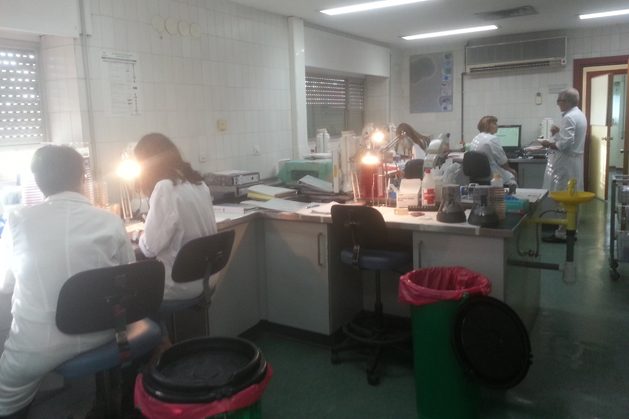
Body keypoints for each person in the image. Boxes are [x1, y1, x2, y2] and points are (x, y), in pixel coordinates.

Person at [0, 145, 135, 418]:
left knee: (5, 400)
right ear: (82, 178)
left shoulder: (18, 220)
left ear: (37, 181)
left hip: (40, 345)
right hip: (102, 331)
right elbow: (130, 277)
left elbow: (6, 285)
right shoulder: (110, 221)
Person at [134, 133, 217, 301]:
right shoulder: (199, 184)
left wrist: (140, 236)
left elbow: (150, 249)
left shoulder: (165, 188)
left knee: (130, 293)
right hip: (208, 277)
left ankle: (157, 321)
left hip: (178, 285)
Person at [540, 87, 587, 242]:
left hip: (566, 163)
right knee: (571, 197)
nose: (558, 103)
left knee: (563, 197)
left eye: (559, 100)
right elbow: (570, 138)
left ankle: (562, 233)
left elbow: (565, 145)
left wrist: (548, 143)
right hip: (573, 162)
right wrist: (558, 132)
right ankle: (571, 230)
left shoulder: (569, 117)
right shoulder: (579, 114)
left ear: (566, 101)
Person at [469, 115, 518, 186]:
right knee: (513, 175)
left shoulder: (476, 138)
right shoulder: (492, 139)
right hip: (492, 176)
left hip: (477, 177)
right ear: (487, 126)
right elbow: (503, 163)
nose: (497, 126)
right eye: (494, 123)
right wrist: (511, 170)